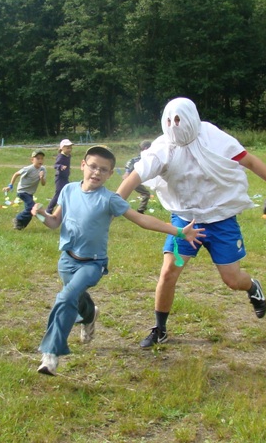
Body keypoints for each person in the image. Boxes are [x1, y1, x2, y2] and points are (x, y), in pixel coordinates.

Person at [116, 97, 266, 349]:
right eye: (169, 120)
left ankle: (252, 287)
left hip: (221, 220)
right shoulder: (162, 148)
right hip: (185, 224)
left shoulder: (214, 138)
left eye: (179, 119)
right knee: (169, 272)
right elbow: (135, 177)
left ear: (191, 118)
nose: (174, 125)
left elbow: (250, 161)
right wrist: (112, 204)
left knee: (232, 280)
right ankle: (160, 329)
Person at [31, 145, 205, 376]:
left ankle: (50, 354)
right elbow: (54, 222)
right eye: (93, 166)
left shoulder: (109, 199)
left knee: (65, 297)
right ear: (83, 165)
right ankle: (90, 315)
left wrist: (179, 231)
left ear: (110, 174)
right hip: (67, 260)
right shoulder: (69, 190)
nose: (96, 172)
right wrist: (41, 215)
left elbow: (141, 220)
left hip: (92, 263)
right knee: (76, 297)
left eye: (103, 170)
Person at [3, 150, 46, 230]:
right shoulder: (28, 169)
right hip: (22, 191)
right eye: (37, 158)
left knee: (30, 210)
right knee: (32, 207)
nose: (40, 160)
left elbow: (43, 183)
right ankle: (18, 219)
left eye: (42, 158)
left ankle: (20, 226)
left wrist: (41, 177)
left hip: (30, 193)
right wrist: (10, 186)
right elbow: (16, 174)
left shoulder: (42, 169)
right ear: (32, 160)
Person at [123, 140, 152, 214]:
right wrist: (127, 172)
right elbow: (130, 164)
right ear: (146, 148)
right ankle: (140, 210)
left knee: (122, 195)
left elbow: (129, 163)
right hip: (133, 179)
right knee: (146, 194)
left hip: (132, 179)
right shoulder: (141, 158)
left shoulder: (137, 158)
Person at [46, 139, 73, 214]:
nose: (69, 149)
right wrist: (61, 166)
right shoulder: (61, 156)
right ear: (62, 148)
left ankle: (65, 209)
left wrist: (68, 169)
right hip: (60, 178)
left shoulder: (68, 156)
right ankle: (48, 210)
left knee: (68, 192)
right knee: (58, 193)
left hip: (65, 177)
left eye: (70, 148)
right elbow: (55, 165)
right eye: (67, 148)